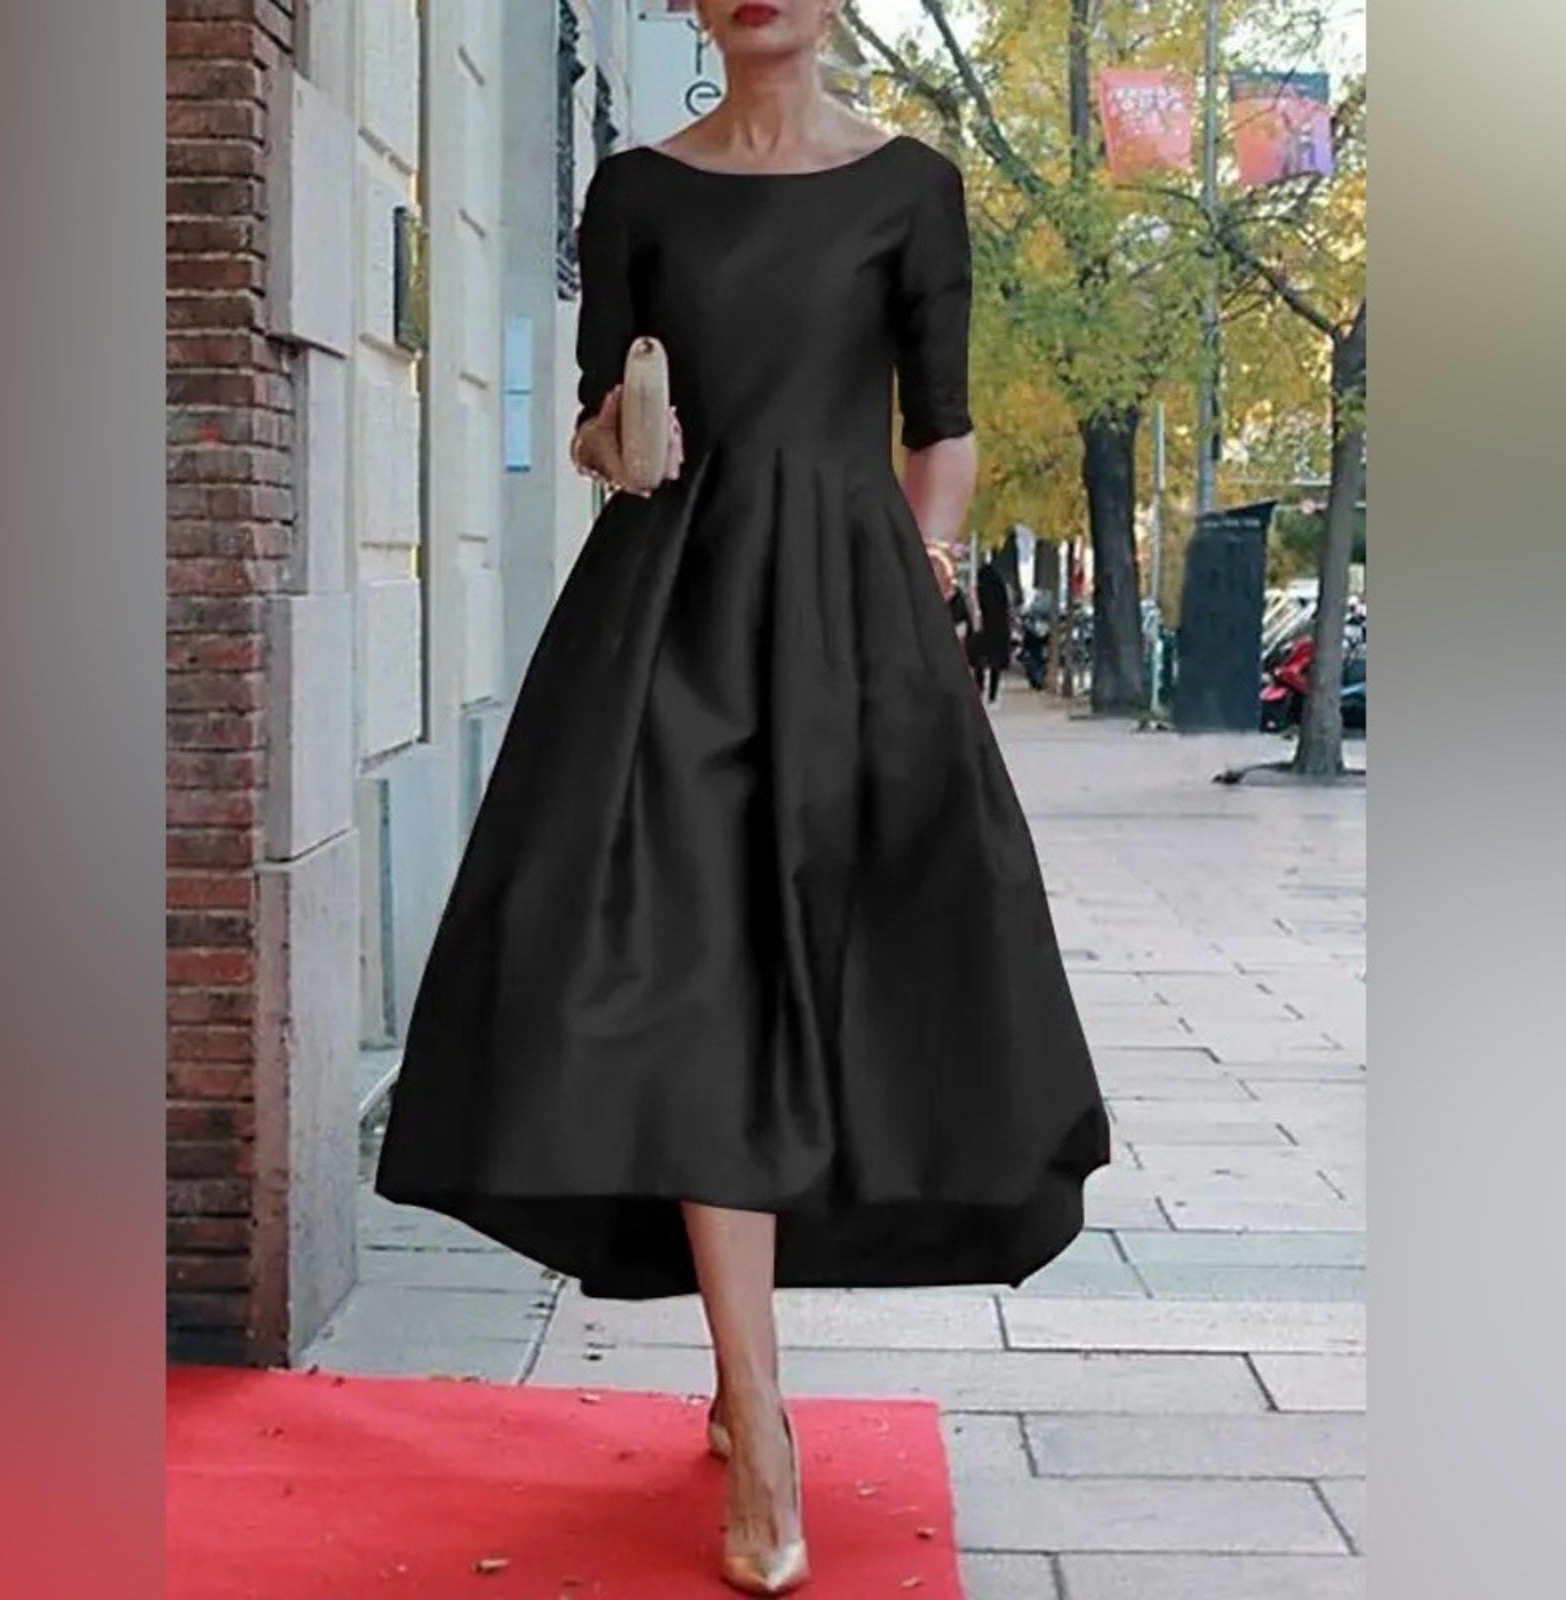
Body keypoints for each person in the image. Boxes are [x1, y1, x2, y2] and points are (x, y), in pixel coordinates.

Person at [373, 2, 1109, 1591]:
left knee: (835, 973)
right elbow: (600, 421)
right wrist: (616, 435)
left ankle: (742, 1372)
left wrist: (921, 577)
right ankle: (761, 1417)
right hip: (671, 628)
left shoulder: (912, 184)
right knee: (694, 980)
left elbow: (943, 431)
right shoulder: (636, 187)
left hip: (851, 622)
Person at [970, 557, 1012, 704]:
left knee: (979, 661)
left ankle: (979, 688)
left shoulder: (981, 589)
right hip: (999, 629)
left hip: (983, 629)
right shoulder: (1000, 589)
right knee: (995, 664)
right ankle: (992, 694)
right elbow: (1007, 608)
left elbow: (978, 608)